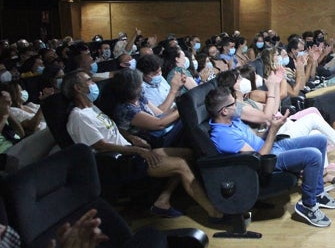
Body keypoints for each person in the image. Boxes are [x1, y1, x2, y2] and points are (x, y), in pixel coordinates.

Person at [62, 69, 221, 219]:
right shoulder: (79, 116)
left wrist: (131, 137)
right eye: (89, 81)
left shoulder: (92, 108)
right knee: (180, 164)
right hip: (120, 161)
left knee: (187, 153)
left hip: (132, 151)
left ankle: (162, 200)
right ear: (77, 88)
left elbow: (114, 128)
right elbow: (101, 146)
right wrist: (137, 150)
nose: (93, 84)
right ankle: (214, 212)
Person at [206, 86, 335, 228]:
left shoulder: (232, 120)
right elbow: (258, 160)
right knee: (313, 156)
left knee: (320, 140)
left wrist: (271, 128)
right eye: (233, 104)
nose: (238, 106)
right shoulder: (223, 136)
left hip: (271, 147)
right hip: (268, 160)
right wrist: (273, 131)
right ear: (224, 111)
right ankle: (308, 205)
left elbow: (254, 139)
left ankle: (318, 193)